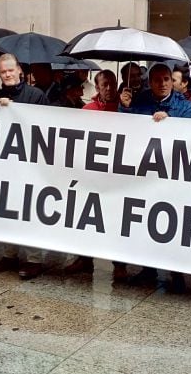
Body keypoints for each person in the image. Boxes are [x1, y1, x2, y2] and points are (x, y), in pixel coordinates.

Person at [118, 63, 191, 292]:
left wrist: (169, 120)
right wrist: (125, 108)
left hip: (173, 175)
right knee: (146, 221)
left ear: (172, 81)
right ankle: (148, 269)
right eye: (157, 80)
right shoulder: (140, 101)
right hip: (145, 174)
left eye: (166, 80)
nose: (162, 84)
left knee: (173, 223)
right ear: (150, 82)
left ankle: (176, 272)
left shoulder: (184, 105)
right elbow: (126, 128)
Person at [0, 53, 49, 280]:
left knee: (30, 212)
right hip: (5, 165)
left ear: (20, 70)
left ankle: (34, 259)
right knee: (7, 210)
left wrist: (14, 111)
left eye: (11, 70)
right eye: (3, 72)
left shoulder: (36, 96)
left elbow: (46, 127)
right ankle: (9, 254)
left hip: (31, 164)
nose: (8, 75)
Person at [64, 70, 126, 280]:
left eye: (112, 84)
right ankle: (84, 258)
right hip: (92, 173)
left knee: (117, 220)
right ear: (97, 87)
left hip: (117, 174)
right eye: (104, 85)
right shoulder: (87, 109)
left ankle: (120, 264)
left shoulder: (125, 109)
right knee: (87, 217)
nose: (109, 88)